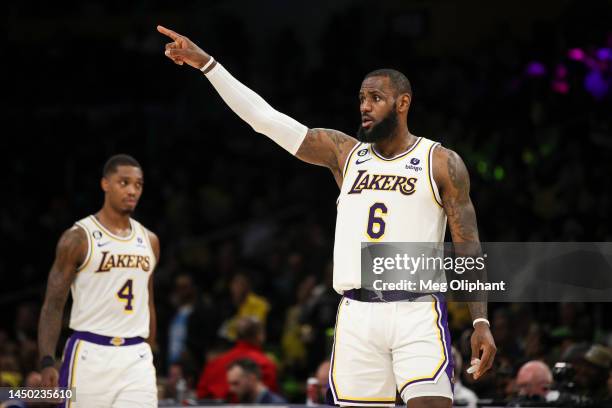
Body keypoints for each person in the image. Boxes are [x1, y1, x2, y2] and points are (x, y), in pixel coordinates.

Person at [157, 25, 496, 408]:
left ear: (403, 103)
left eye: (376, 98)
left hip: (416, 310)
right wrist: (208, 65)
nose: (365, 106)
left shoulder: (439, 162)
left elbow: (468, 244)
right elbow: (264, 119)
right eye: (361, 98)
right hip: (355, 313)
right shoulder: (344, 154)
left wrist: (479, 321)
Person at [38, 154, 159, 407]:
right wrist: (47, 360)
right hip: (89, 354)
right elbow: (53, 303)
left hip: (135, 357)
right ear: (105, 184)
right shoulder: (78, 238)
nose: (132, 190)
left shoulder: (150, 240)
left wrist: (150, 351)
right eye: (124, 182)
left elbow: (148, 302)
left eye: (138, 185)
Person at [196, 317, 278, 400]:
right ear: (260, 336)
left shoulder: (214, 363)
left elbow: (201, 395)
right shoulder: (266, 364)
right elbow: (268, 400)